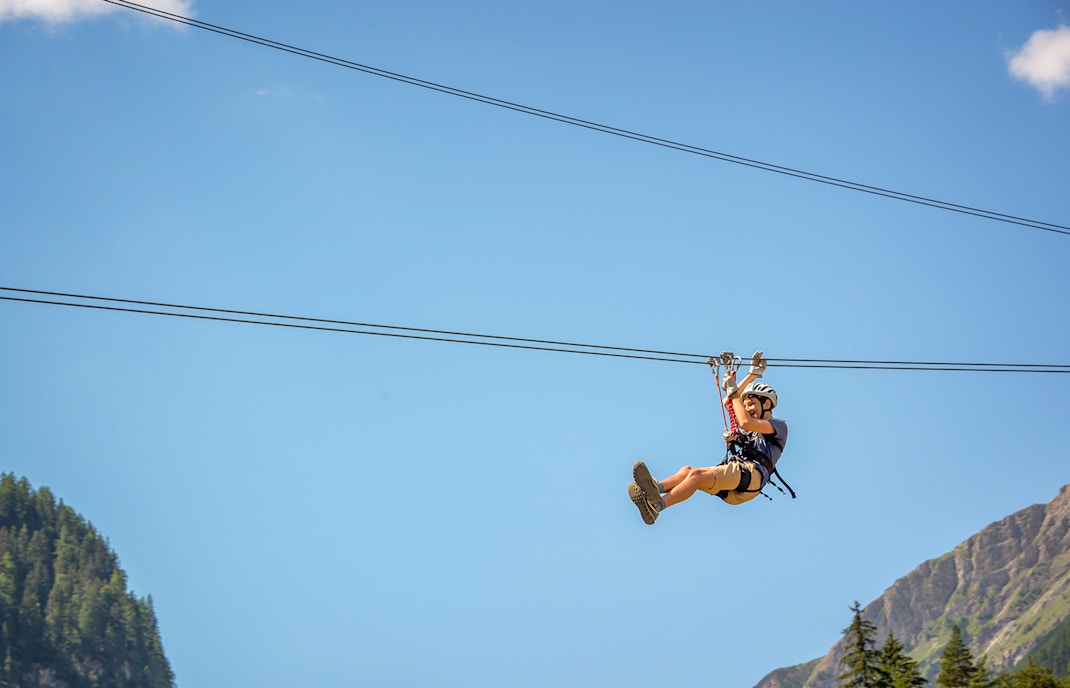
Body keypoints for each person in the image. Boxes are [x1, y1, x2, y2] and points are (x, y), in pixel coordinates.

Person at [627, 351, 788, 525]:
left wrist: (734, 392)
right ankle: (656, 488)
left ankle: (656, 507)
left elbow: (744, 421)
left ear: (767, 404)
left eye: (752, 404)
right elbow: (730, 403)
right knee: (688, 471)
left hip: (750, 476)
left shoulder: (778, 426)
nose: (748, 408)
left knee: (696, 475)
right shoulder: (753, 429)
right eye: (746, 405)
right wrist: (752, 375)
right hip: (740, 483)